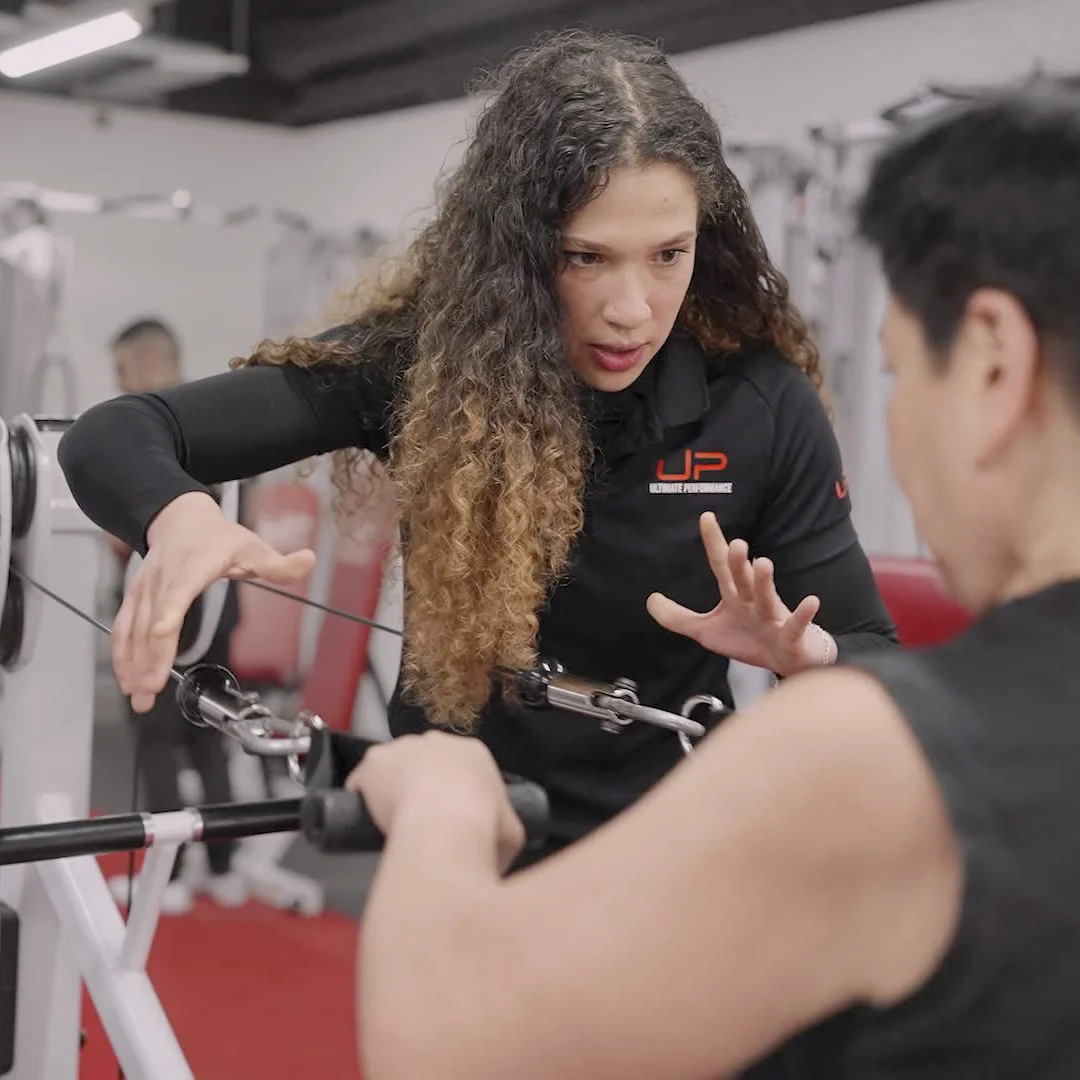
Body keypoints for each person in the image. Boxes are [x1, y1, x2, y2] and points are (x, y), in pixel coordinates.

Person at [337, 86, 1080, 1077]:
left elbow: (443, 1045)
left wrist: (440, 800)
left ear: (993, 367)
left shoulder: (873, 756)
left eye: (901, 374)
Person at [58, 30, 897, 861]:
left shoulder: (760, 404)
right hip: (458, 846)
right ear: (520, 253)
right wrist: (178, 517)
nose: (633, 308)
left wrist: (808, 654)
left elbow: (874, 657)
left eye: (667, 255)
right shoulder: (426, 367)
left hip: (670, 861)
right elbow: (115, 434)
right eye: (586, 258)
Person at [104, 318, 247, 914]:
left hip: (172, 600)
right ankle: (221, 868)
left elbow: (145, 523)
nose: (117, 381)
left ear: (141, 362)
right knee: (208, 733)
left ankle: (168, 879)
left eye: (120, 368)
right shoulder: (215, 418)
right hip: (215, 601)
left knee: (157, 735)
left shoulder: (150, 425)